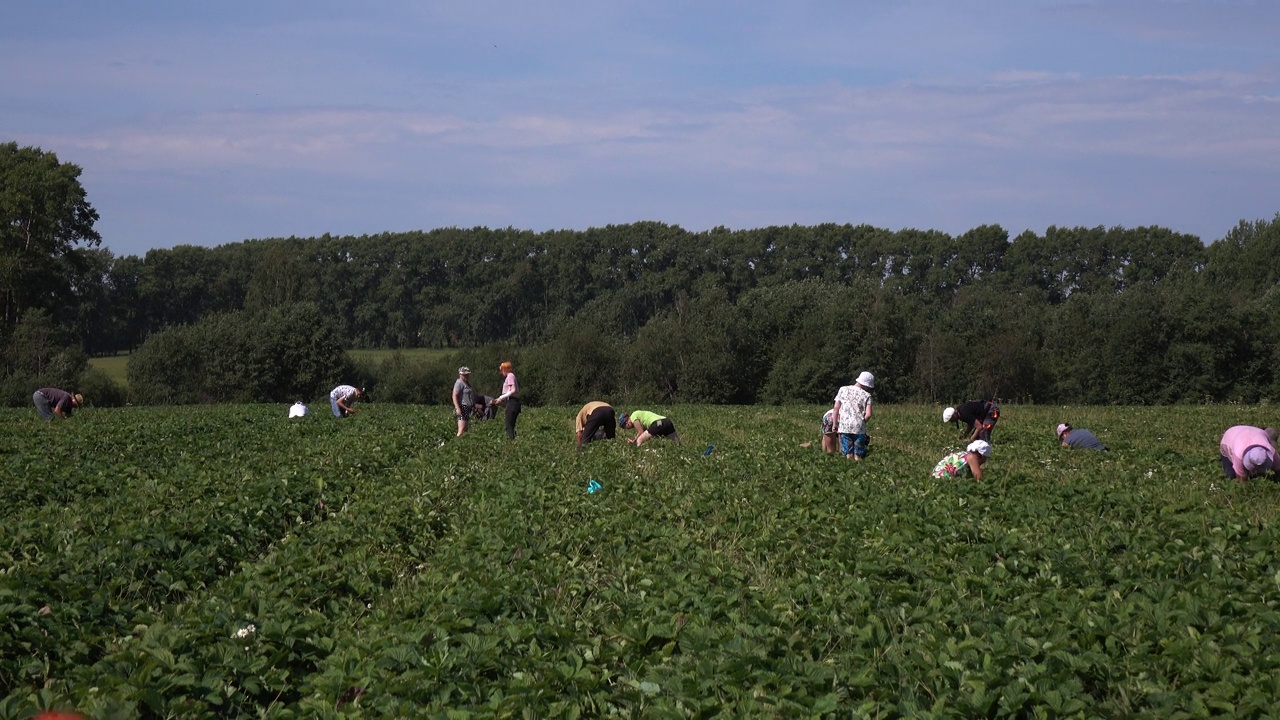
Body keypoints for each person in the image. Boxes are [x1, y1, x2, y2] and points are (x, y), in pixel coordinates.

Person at [832, 371, 875, 460]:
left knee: (848, 453)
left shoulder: (843, 389)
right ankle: (858, 468)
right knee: (858, 454)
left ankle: (848, 467)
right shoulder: (867, 395)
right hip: (859, 428)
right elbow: (869, 414)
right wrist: (863, 422)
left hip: (844, 426)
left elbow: (836, 408)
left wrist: (835, 424)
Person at [493, 361, 521, 440]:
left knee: (509, 425)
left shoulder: (510, 376)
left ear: (505, 369)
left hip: (512, 402)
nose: (501, 372)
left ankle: (511, 442)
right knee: (511, 425)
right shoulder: (511, 376)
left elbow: (513, 390)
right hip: (512, 402)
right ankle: (513, 440)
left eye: (502, 370)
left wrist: (501, 397)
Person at [452, 367, 474, 436]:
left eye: (467, 374)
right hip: (463, 407)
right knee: (461, 429)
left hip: (467, 407)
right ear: (460, 375)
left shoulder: (466, 383)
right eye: (465, 375)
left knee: (465, 429)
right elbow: (454, 395)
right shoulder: (459, 383)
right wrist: (457, 408)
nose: (467, 376)